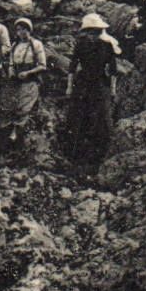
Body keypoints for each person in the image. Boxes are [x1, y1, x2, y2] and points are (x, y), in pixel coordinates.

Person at [61, 13, 120, 175]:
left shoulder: (107, 46)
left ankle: (98, 157)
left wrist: (113, 89)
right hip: (84, 84)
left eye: (95, 31)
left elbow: (113, 70)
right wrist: (69, 88)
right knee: (78, 118)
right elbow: (72, 68)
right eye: (90, 32)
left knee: (100, 118)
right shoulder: (80, 45)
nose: (92, 35)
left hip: (99, 85)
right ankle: (77, 157)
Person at [0, 18, 47, 155]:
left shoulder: (36, 44)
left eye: (24, 29)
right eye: (19, 30)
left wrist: (28, 72)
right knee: (7, 105)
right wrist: (11, 72)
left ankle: (18, 139)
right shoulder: (15, 45)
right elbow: (11, 63)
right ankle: (6, 141)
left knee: (23, 107)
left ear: (29, 30)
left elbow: (42, 65)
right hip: (16, 80)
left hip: (30, 79)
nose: (21, 32)